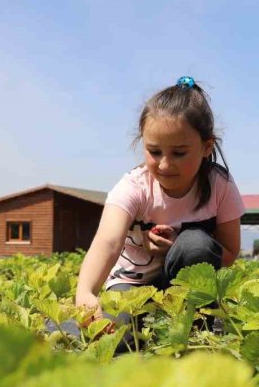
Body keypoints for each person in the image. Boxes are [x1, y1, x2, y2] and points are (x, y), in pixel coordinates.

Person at [75, 76, 244, 323]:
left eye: (179, 153)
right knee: (119, 334)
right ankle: (60, 327)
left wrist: (176, 248)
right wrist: (85, 291)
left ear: (207, 147)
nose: (165, 164)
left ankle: (194, 323)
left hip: (183, 290)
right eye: (154, 152)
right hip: (133, 284)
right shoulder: (135, 186)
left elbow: (229, 252)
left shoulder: (220, 185)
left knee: (195, 244)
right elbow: (108, 242)